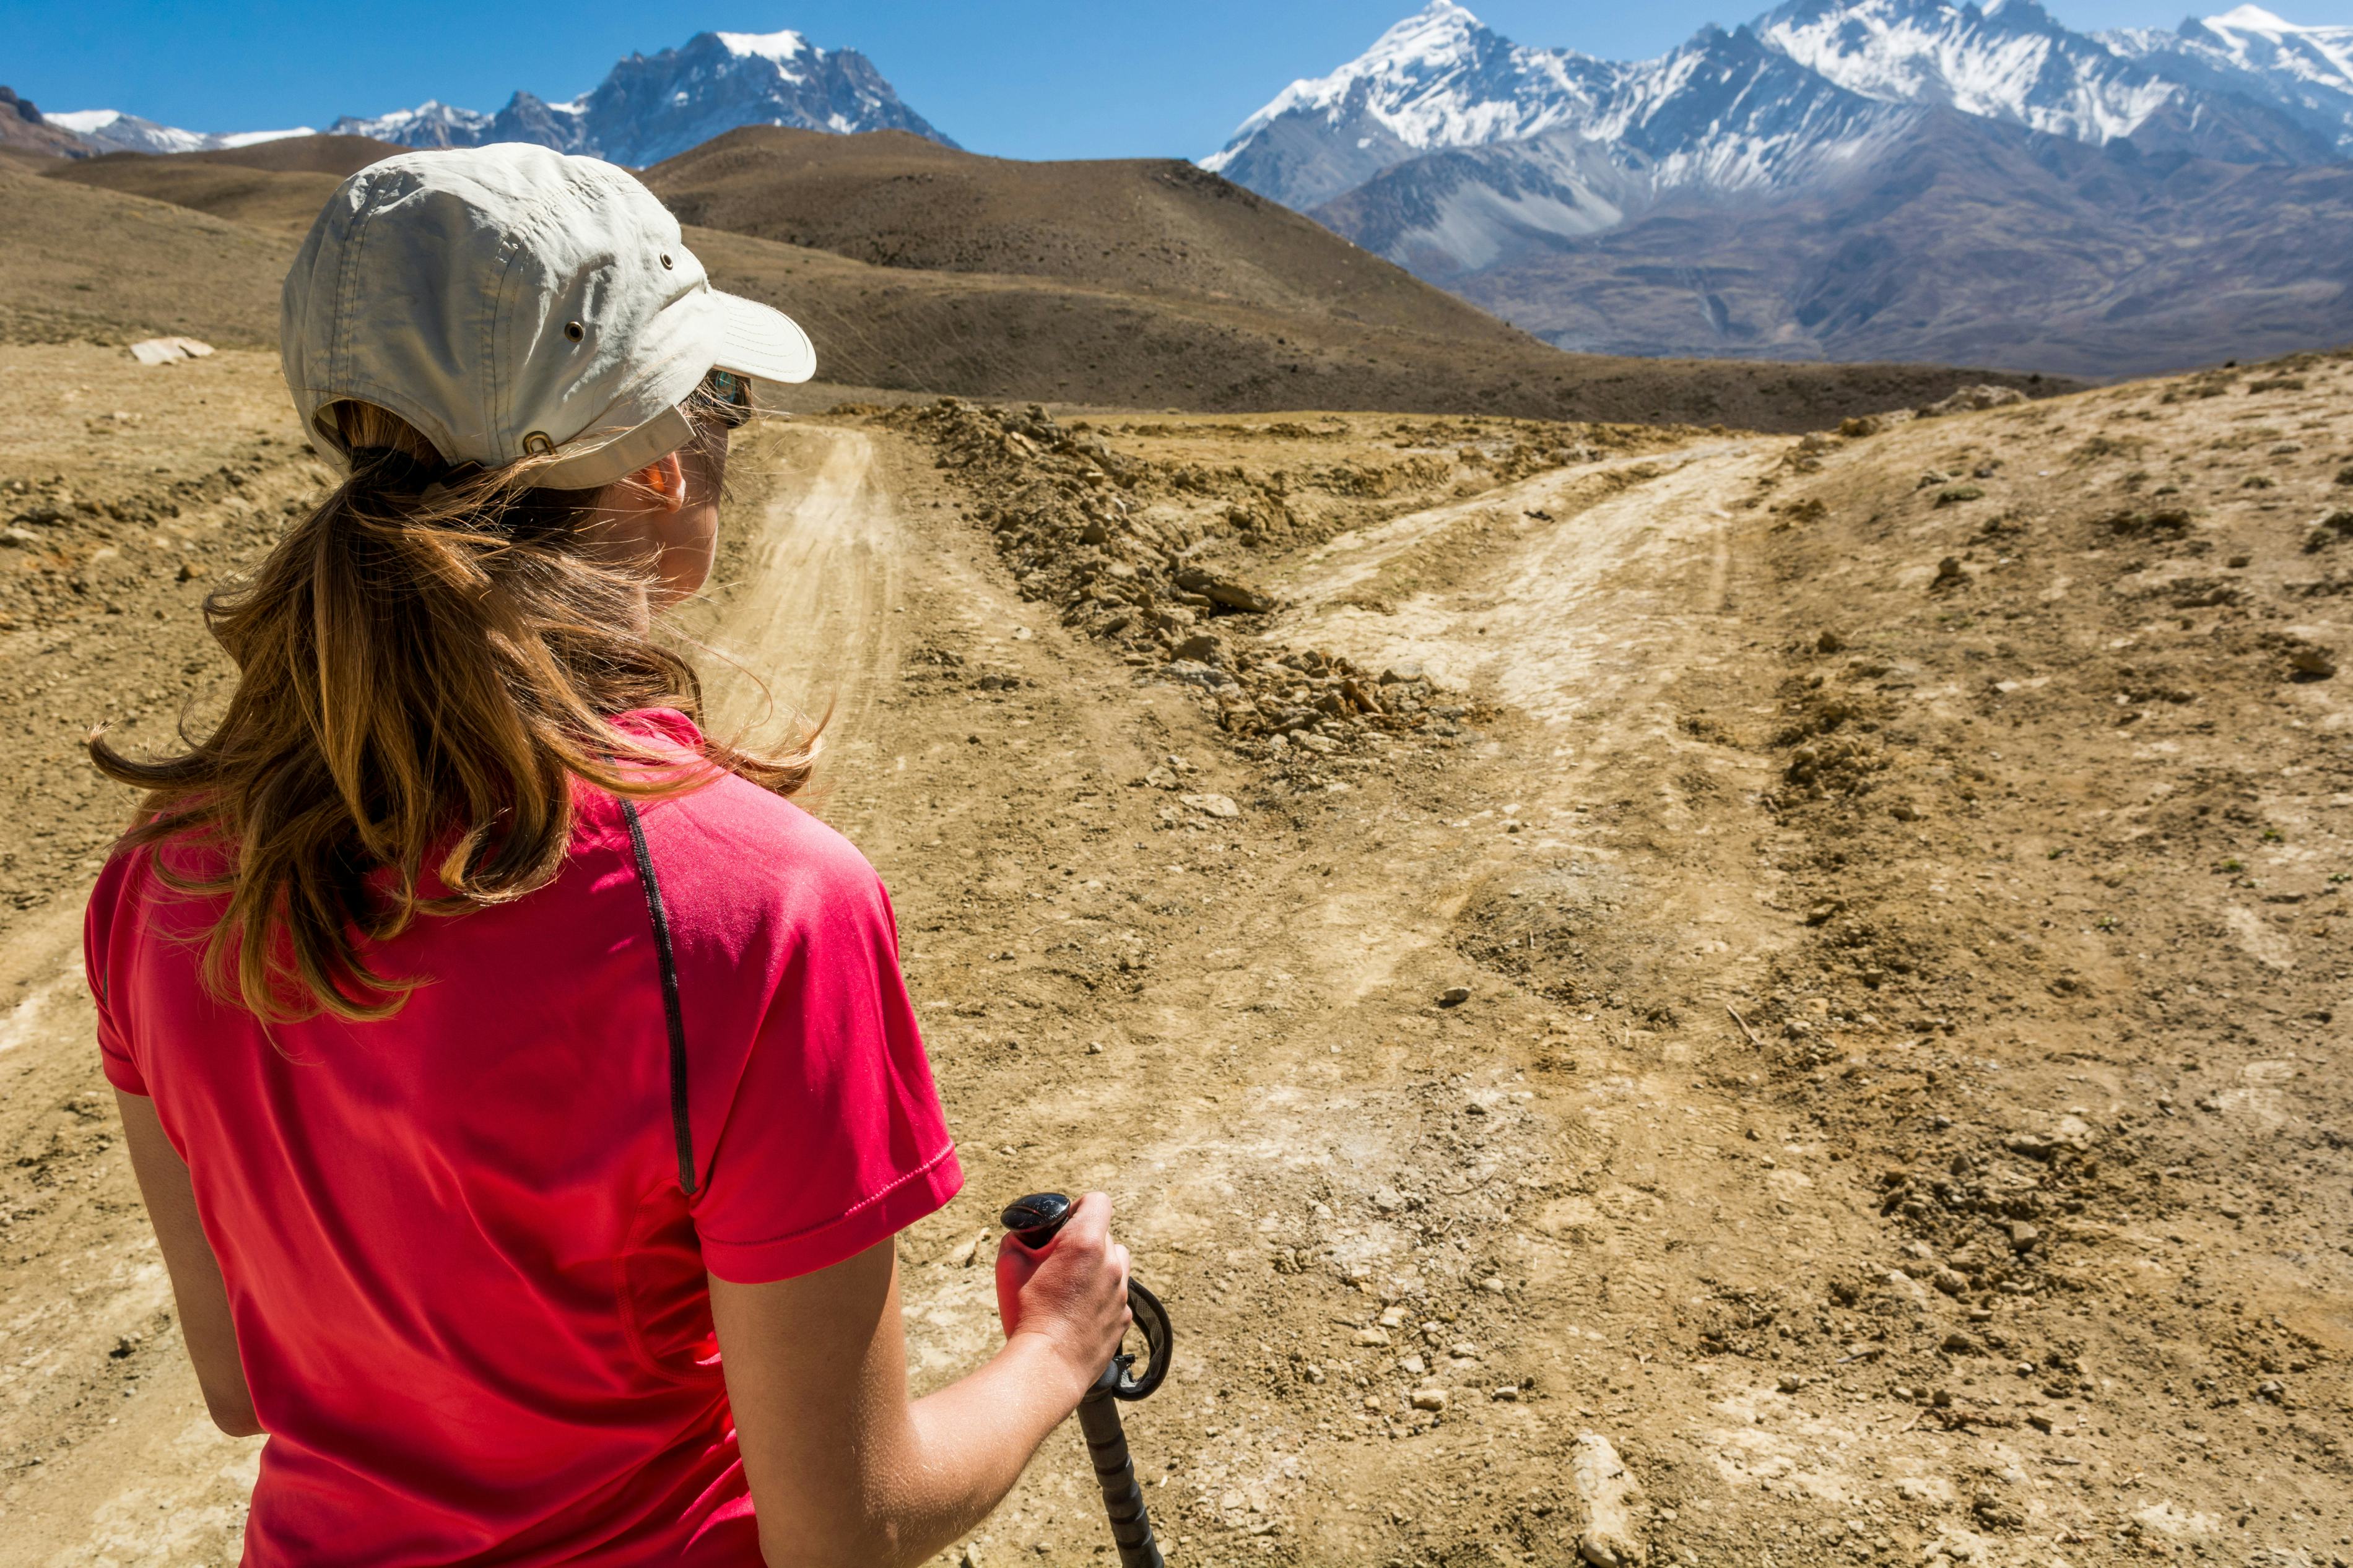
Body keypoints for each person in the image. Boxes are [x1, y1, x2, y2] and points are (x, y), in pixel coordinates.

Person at [82, 143, 1131, 1567]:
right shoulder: (762, 907)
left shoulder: (167, 873)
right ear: (653, 456)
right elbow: (848, 1525)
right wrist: (1062, 1346)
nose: (726, 437)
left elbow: (237, 1383)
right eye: (724, 403)